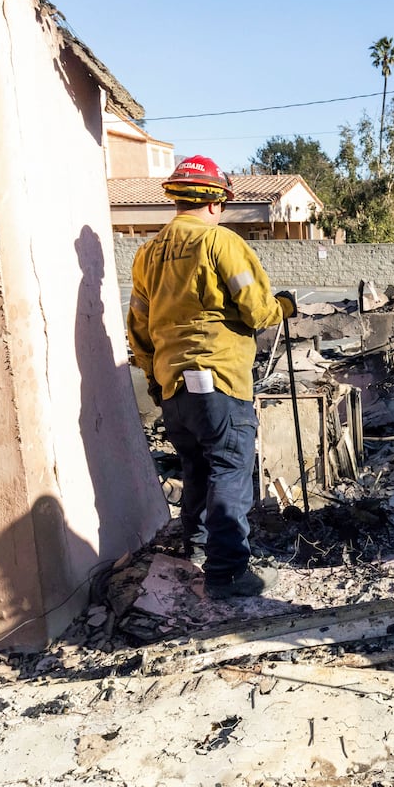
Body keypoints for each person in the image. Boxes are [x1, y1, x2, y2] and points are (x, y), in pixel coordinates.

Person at [128, 156, 295, 599]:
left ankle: (198, 551)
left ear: (177, 198)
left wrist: (153, 375)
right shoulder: (220, 243)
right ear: (217, 201)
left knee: (196, 468)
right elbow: (258, 310)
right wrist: (285, 308)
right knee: (229, 469)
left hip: (172, 385)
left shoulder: (147, 253)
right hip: (218, 380)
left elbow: (139, 327)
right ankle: (226, 573)